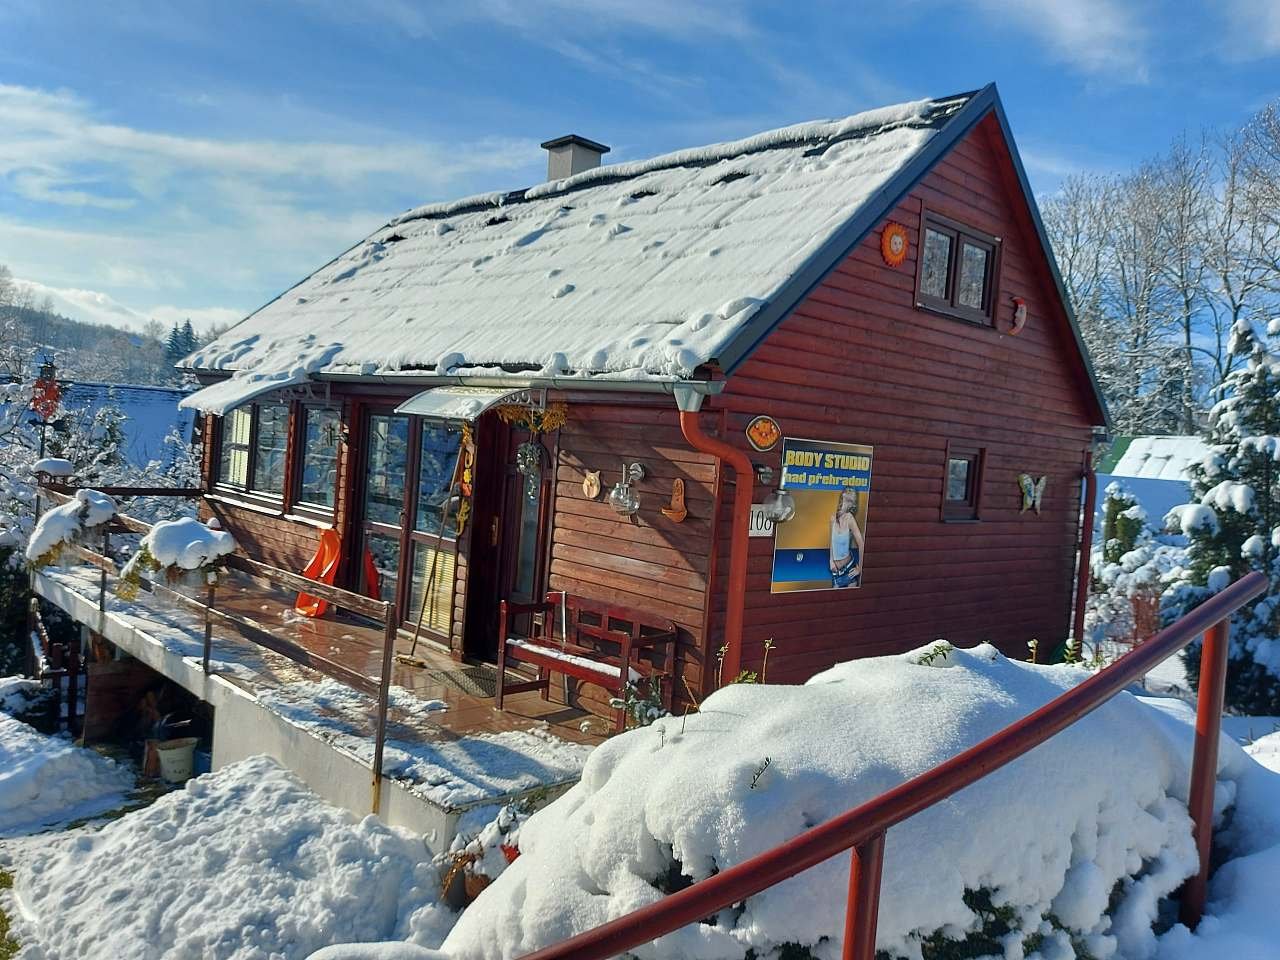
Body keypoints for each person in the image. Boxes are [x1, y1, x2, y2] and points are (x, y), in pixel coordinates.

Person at [829, 488, 865, 588]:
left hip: (849, 569)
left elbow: (861, 544)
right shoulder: (833, 518)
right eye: (847, 492)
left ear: (852, 503)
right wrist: (831, 560)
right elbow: (831, 541)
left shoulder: (850, 519)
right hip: (836, 570)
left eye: (851, 497)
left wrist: (860, 568)